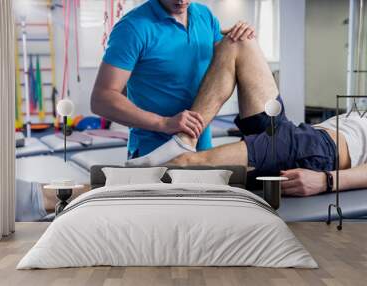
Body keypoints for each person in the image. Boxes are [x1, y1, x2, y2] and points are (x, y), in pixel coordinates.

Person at [126, 36, 367, 197]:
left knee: (185, 164)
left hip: (318, 152)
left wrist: (326, 181)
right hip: (300, 135)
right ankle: (183, 140)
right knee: (238, 42)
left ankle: (114, 190)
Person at [91, 0, 256, 159]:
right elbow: (101, 99)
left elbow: (222, 66)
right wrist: (164, 123)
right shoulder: (132, 27)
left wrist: (238, 35)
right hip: (153, 154)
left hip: (201, 150)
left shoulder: (205, 16)